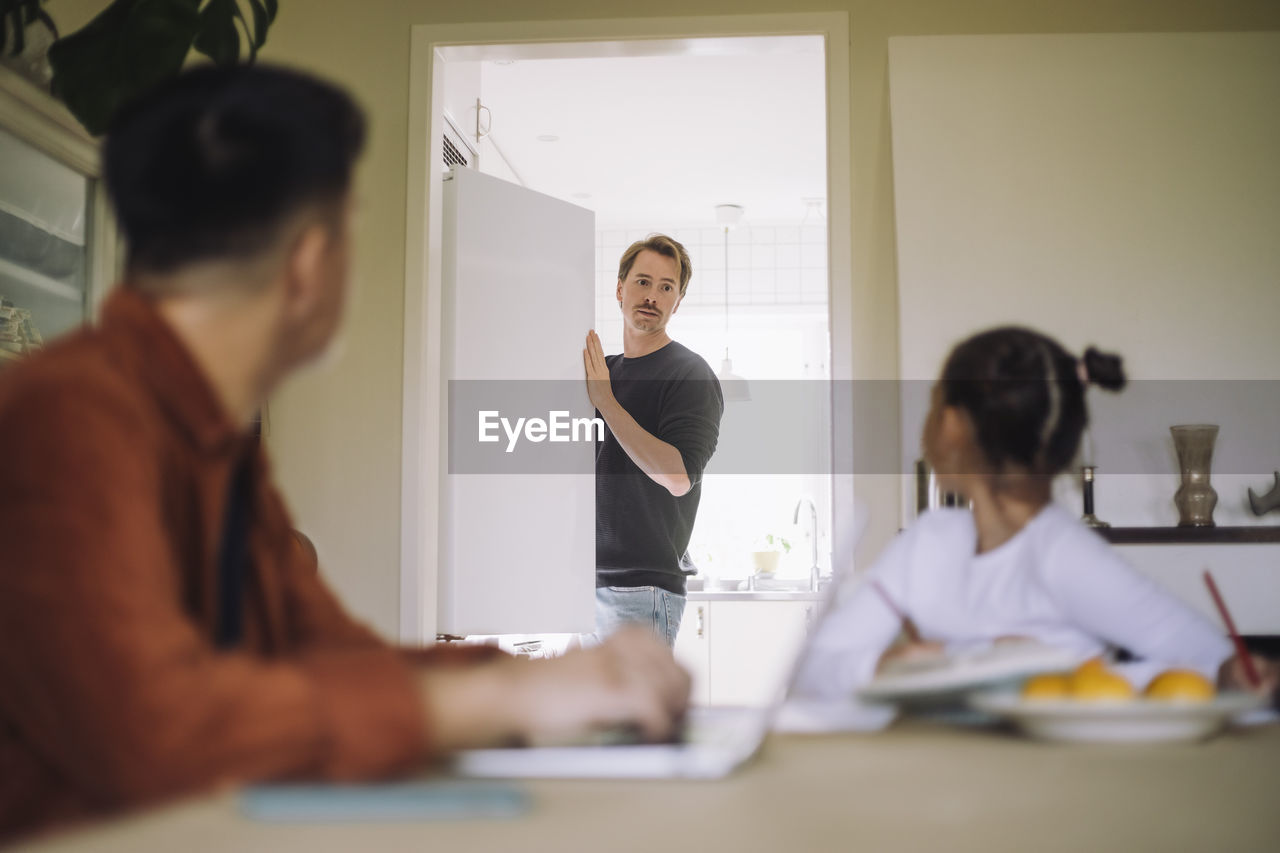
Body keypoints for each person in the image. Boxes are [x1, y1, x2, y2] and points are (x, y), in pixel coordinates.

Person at [0, 65, 688, 843]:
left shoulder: (213, 451)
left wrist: (531, 679)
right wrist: (486, 703)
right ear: (306, 260)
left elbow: (329, 653)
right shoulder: (66, 419)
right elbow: (145, 726)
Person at [792, 326, 1277, 698]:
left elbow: (1215, 666)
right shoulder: (928, 542)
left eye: (934, 402)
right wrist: (888, 665)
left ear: (953, 427)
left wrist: (1052, 670)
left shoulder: (1063, 556)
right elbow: (811, 671)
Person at [583, 235, 724, 646]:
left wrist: (606, 402)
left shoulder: (689, 374)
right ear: (619, 289)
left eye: (666, 287)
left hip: (641, 591)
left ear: (677, 302)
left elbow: (679, 476)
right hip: (585, 584)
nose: (652, 296)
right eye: (643, 282)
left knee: (630, 713)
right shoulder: (603, 372)